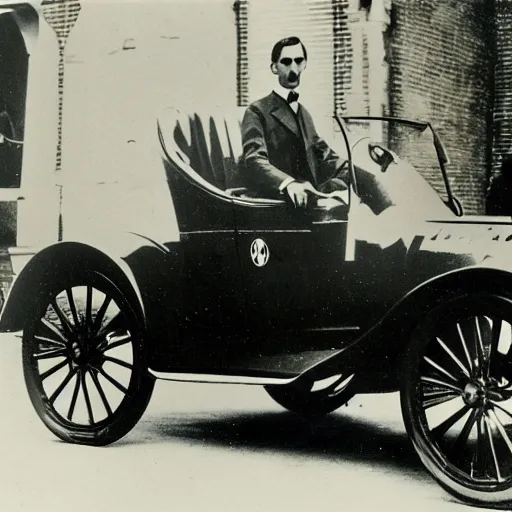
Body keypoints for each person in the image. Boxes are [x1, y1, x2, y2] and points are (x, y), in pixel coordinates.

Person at [241, 36, 348, 208]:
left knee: (362, 183)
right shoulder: (257, 111)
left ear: (305, 64)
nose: (293, 69)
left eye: (299, 61)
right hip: (278, 201)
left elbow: (326, 156)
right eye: (286, 62)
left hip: (308, 195)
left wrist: (361, 172)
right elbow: (254, 160)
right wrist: (288, 183)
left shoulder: (304, 113)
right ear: (274, 67)